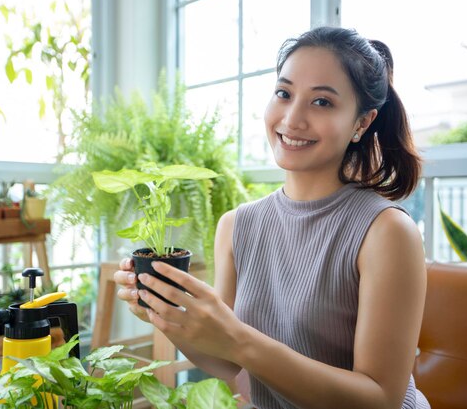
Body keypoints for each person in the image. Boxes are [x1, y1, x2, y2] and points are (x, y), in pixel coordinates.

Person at [114, 26, 429, 409]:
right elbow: (226, 361)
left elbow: (380, 399)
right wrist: (168, 315)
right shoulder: (236, 225)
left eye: (322, 102)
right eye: (284, 93)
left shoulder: (387, 231)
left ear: (361, 123)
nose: (292, 118)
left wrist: (237, 338)